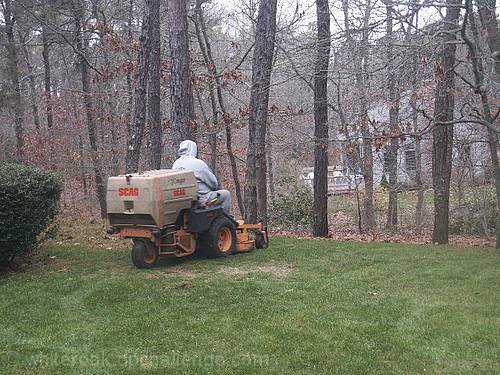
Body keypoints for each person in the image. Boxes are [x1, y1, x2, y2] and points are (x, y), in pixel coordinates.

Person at [172, 140, 232, 215]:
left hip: (185, 199)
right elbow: (214, 183)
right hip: (203, 199)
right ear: (193, 149)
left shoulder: (176, 164)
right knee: (226, 195)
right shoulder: (198, 163)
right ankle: (224, 219)